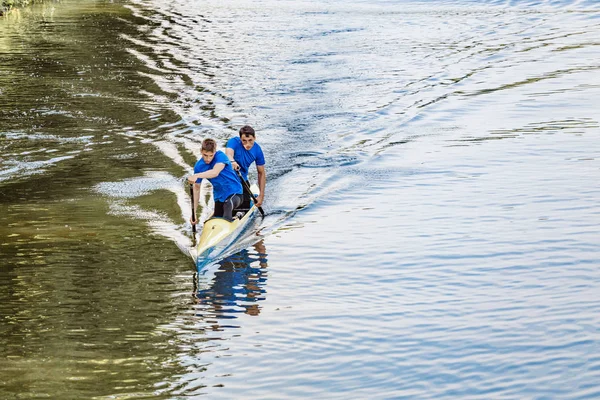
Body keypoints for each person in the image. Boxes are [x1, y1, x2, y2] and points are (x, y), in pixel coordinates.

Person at [188, 138, 243, 223]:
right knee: (215, 218)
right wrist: (194, 212)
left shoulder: (221, 156)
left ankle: (238, 216)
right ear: (201, 151)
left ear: (215, 152)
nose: (208, 159)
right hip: (219, 197)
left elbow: (215, 172)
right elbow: (196, 189)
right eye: (205, 155)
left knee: (228, 205)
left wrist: (196, 175)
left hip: (235, 193)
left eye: (211, 155)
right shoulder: (198, 167)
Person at [225, 125, 266, 209]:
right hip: (228, 178)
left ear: (255, 138)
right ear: (240, 139)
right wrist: (232, 161)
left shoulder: (257, 150)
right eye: (244, 141)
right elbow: (229, 154)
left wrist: (261, 196)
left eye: (250, 140)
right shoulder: (233, 142)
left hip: (242, 179)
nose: (247, 144)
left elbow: (261, 173)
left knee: (245, 205)